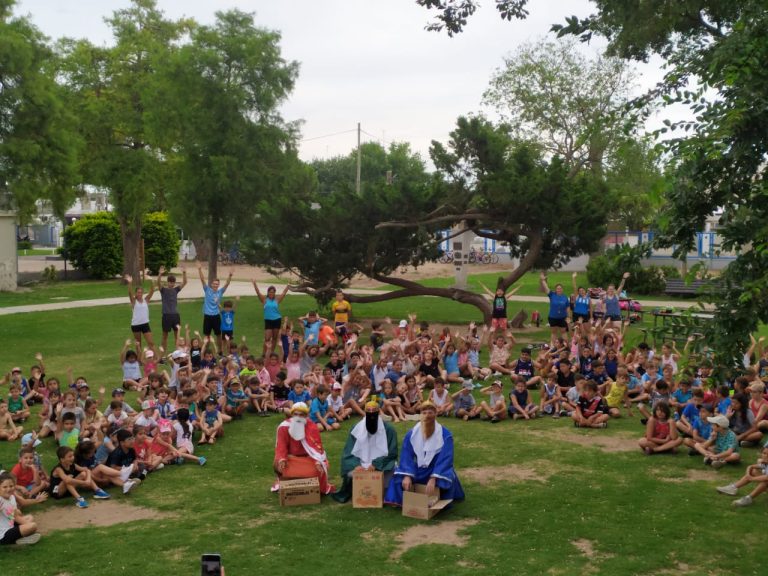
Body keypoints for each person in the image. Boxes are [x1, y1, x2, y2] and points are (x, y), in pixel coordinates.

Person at [384, 401, 464, 506]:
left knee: (444, 481)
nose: (427, 416)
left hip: (437, 469)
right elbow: (406, 456)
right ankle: (403, 501)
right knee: (399, 478)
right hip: (418, 469)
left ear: (435, 414)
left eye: (430, 412)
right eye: (424, 413)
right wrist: (407, 475)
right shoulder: (412, 434)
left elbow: (446, 459)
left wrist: (434, 478)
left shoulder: (445, 435)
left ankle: (437, 500)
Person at [332, 400, 399, 503]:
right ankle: (359, 489)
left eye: (374, 411)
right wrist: (356, 465)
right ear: (365, 412)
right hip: (360, 465)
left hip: (381, 465)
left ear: (379, 412)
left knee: (394, 469)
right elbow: (349, 451)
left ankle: (383, 491)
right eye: (369, 411)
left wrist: (376, 464)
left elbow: (392, 453)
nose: (371, 413)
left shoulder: (389, 430)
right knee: (350, 473)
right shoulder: (356, 428)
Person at [273, 402, 334, 495]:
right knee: (277, 464)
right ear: (292, 415)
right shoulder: (284, 427)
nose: (298, 417)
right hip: (291, 459)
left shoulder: (312, 426)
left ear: (306, 416)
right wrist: (282, 459)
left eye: (301, 415)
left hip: (309, 459)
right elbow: (281, 446)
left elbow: (317, 447)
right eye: (295, 414)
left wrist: (317, 461)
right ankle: (285, 481)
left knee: (319, 468)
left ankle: (312, 483)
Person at [198, 263, 233, 352]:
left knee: (218, 334)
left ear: (218, 285)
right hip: (207, 316)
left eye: (217, 284)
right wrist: (199, 269)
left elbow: (227, 284)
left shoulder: (220, 292)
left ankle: (220, 351)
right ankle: (206, 350)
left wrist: (230, 275)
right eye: (214, 284)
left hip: (216, 316)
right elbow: (202, 279)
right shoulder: (207, 290)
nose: (215, 285)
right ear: (211, 284)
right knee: (207, 335)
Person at [0, 471, 41, 545]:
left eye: (11, 486)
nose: (8, 489)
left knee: (30, 518)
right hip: (3, 535)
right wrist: (30, 526)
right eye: (5, 487)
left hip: (10, 526)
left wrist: (27, 524)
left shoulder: (12, 497)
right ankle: (18, 539)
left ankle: (19, 539)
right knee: (32, 526)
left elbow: (16, 516)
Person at [253, 283, 290, 357]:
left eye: (273, 292)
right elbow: (258, 292)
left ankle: (271, 353)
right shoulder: (264, 300)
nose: (271, 293)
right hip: (268, 321)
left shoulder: (277, 300)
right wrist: (254, 284)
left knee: (275, 338)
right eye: (270, 292)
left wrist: (288, 286)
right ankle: (264, 354)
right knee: (267, 338)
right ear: (268, 292)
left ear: (274, 293)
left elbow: (283, 293)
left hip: (277, 319)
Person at [157, 266, 187, 351]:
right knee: (164, 336)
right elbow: (158, 283)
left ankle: (178, 353)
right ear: (167, 282)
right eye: (170, 282)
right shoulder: (163, 290)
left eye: (173, 282)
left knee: (177, 335)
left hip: (175, 315)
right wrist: (160, 274)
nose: (172, 284)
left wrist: (184, 273)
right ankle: (162, 356)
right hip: (166, 316)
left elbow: (184, 282)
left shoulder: (176, 290)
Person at [124, 274, 156, 352]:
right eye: (138, 292)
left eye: (141, 292)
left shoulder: (146, 300)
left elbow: (152, 291)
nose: (140, 294)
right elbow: (130, 293)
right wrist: (130, 283)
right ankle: (139, 361)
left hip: (145, 324)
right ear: (136, 293)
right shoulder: (134, 302)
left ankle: (157, 358)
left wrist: (151, 280)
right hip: (136, 325)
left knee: (151, 343)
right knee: (138, 344)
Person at [540, 272, 569, 340]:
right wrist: (543, 280)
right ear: (555, 289)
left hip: (562, 317)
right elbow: (546, 288)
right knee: (554, 332)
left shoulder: (565, 297)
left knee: (563, 332)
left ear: (562, 289)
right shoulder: (552, 294)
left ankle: (565, 346)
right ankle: (553, 346)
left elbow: (567, 307)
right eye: (558, 288)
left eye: (560, 288)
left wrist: (568, 316)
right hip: (553, 317)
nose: (559, 289)